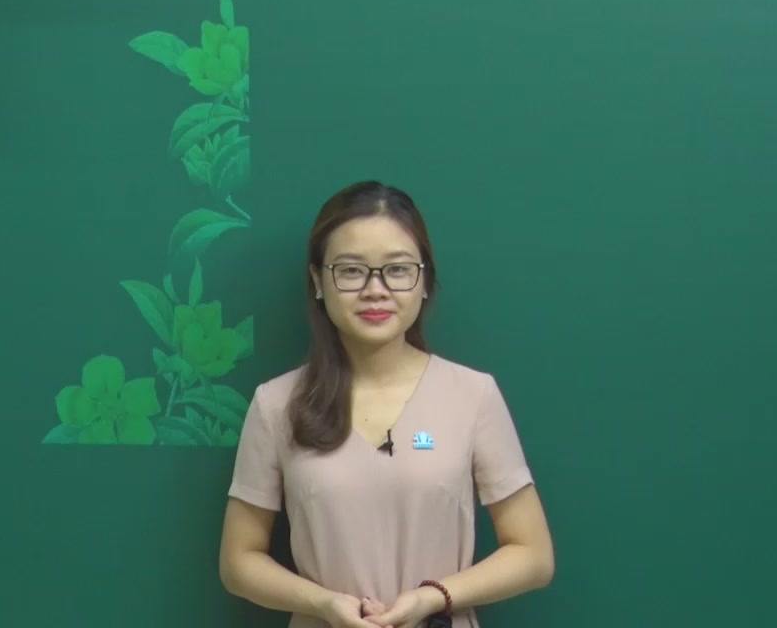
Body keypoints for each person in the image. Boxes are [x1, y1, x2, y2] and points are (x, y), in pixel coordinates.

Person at [218, 181, 554, 628]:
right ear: (318, 280)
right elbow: (238, 561)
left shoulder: (473, 395)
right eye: (351, 271)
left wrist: (433, 597)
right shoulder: (276, 404)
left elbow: (533, 554)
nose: (375, 290)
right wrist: (325, 604)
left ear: (424, 280)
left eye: (397, 270)